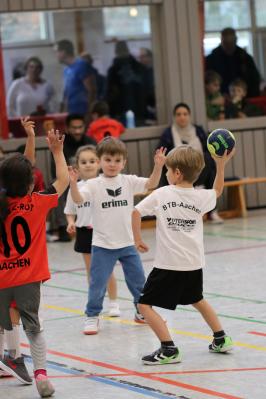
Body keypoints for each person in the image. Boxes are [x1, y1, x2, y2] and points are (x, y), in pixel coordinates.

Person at [132, 145, 235, 365]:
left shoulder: (162, 194)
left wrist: (138, 240)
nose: (167, 174)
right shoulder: (200, 197)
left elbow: (136, 211)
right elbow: (217, 191)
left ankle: (168, 349)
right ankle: (221, 338)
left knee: (144, 306)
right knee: (197, 299)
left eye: (168, 170)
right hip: (194, 264)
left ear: (177, 173)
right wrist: (220, 165)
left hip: (169, 265)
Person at [69, 138, 166, 335]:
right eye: (107, 159)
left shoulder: (128, 181)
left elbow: (151, 184)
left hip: (128, 244)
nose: (112, 164)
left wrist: (158, 166)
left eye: (117, 160)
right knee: (97, 284)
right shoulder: (94, 184)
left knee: (139, 282)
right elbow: (79, 199)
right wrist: (72, 184)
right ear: (100, 161)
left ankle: (141, 312)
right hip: (102, 245)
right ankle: (92, 316)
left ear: (124, 162)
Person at [0, 118, 69, 396]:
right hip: (29, 277)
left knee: (5, 323)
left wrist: (30, 139)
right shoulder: (37, 203)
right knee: (34, 327)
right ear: (30, 185)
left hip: (2, 276)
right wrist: (56, 151)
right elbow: (63, 180)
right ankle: (41, 375)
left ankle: (10, 356)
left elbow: (17, 172)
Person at [64, 145, 120, 317]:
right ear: (77, 166)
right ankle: (96, 301)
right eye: (83, 162)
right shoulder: (75, 187)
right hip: (84, 233)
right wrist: (71, 222)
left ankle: (114, 303)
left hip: (102, 232)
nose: (88, 165)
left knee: (108, 270)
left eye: (92, 161)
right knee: (92, 271)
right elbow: (69, 210)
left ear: (99, 163)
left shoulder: (105, 184)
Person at [0, 118, 35, 384]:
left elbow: (24, 169)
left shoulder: (9, 194)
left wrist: (31, 139)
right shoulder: (17, 198)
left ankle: (10, 356)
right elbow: (25, 170)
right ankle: (12, 355)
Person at [158, 102, 223, 224]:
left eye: (185, 114)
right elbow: (162, 154)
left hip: (198, 171)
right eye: (178, 114)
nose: (182, 117)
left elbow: (208, 149)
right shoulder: (168, 134)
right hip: (178, 174)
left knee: (209, 160)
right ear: (174, 117)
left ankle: (213, 212)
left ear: (189, 116)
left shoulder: (198, 131)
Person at [51, 114, 96, 242]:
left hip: (90, 178)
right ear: (67, 128)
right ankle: (62, 227)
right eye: (74, 128)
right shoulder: (61, 144)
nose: (77, 131)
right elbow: (55, 169)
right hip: (67, 179)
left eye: (80, 127)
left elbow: (100, 165)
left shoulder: (91, 142)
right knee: (55, 186)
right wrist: (72, 179)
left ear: (84, 127)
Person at [205, 27, 261, 97]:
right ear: (221, 40)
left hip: (243, 98)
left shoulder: (245, 58)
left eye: (231, 43)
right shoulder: (212, 59)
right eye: (226, 43)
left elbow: (254, 80)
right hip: (219, 97)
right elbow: (208, 81)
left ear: (236, 40)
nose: (229, 47)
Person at [106, 41, 146, 126]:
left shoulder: (113, 70)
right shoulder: (139, 67)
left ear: (116, 52)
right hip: (140, 110)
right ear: (128, 50)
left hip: (120, 111)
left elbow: (110, 92)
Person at [55, 39, 97, 117]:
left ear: (63, 52)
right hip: (71, 113)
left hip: (83, 112)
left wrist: (88, 113)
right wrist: (64, 111)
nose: (56, 55)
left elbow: (92, 90)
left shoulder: (82, 65)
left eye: (57, 51)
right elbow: (67, 93)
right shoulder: (66, 70)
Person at [139, 47, 156, 121]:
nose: (140, 60)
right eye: (140, 57)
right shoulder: (141, 72)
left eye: (142, 57)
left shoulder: (155, 71)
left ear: (149, 57)